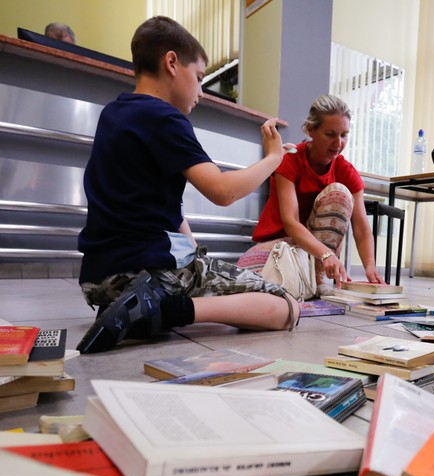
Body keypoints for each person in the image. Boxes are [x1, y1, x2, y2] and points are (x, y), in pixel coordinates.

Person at [76, 16, 299, 354]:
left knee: (201, 269)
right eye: (198, 78)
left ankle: (139, 308)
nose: (201, 93)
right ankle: (164, 310)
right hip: (149, 270)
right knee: (287, 306)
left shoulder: (114, 113)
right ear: (171, 63)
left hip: (99, 281)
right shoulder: (166, 118)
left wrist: (196, 259)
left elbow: (164, 208)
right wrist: (272, 160)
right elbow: (222, 191)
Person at [237, 95, 384, 296]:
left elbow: (361, 226)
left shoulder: (346, 171)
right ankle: (306, 281)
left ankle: (317, 278)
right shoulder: (290, 160)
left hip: (316, 256)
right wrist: (325, 253)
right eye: (330, 134)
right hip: (282, 243)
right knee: (247, 280)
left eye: (344, 135)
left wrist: (370, 266)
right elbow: (291, 222)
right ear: (310, 130)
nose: (338, 143)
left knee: (339, 194)